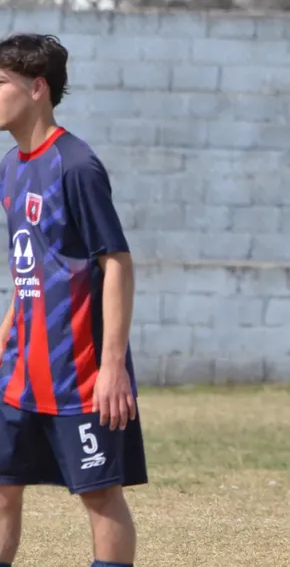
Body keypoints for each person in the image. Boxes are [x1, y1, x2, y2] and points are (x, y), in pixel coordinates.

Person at [0, 33, 147, 567]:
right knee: (2, 486)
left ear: (37, 88)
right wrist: (6, 334)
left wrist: (112, 367)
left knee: (99, 495)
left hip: (79, 373)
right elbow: (29, 265)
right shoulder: (10, 166)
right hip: (19, 371)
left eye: (0, 83)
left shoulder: (77, 165)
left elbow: (117, 264)